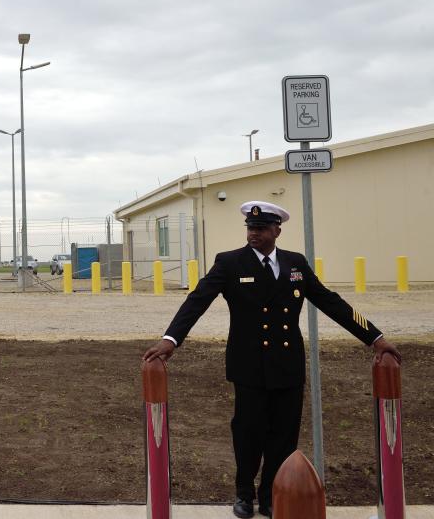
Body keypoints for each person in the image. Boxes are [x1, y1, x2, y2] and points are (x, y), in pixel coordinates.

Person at [142, 200, 400, 518]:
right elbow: (197, 300)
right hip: (248, 366)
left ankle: (271, 495)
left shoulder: (295, 264)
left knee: (283, 435)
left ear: (277, 230)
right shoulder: (229, 263)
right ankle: (244, 495)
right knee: (248, 433)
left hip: (287, 365)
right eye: (251, 229)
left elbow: (332, 302)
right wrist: (171, 340)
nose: (254, 234)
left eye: (262, 229)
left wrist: (375, 338)